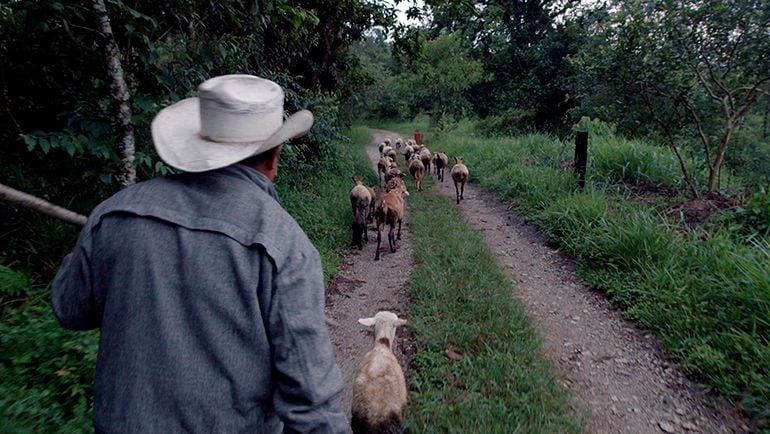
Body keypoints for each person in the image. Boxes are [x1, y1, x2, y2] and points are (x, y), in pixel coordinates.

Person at [51, 74, 348, 433]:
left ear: (196, 145)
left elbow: (69, 309)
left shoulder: (115, 214)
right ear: (275, 156)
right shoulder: (282, 243)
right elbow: (311, 401)